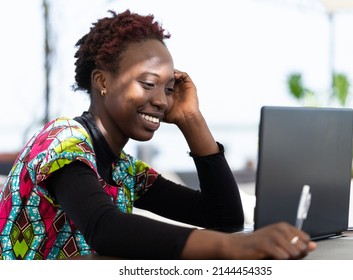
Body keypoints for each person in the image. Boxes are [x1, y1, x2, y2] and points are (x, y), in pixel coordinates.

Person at [0, 9, 316, 260]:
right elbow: (104, 227)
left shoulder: (123, 170)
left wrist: (191, 118)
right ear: (103, 81)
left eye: (167, 89)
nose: (162, 101)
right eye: (148, 84)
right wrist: (237, 248)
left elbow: (222, 217)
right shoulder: (62, 140)